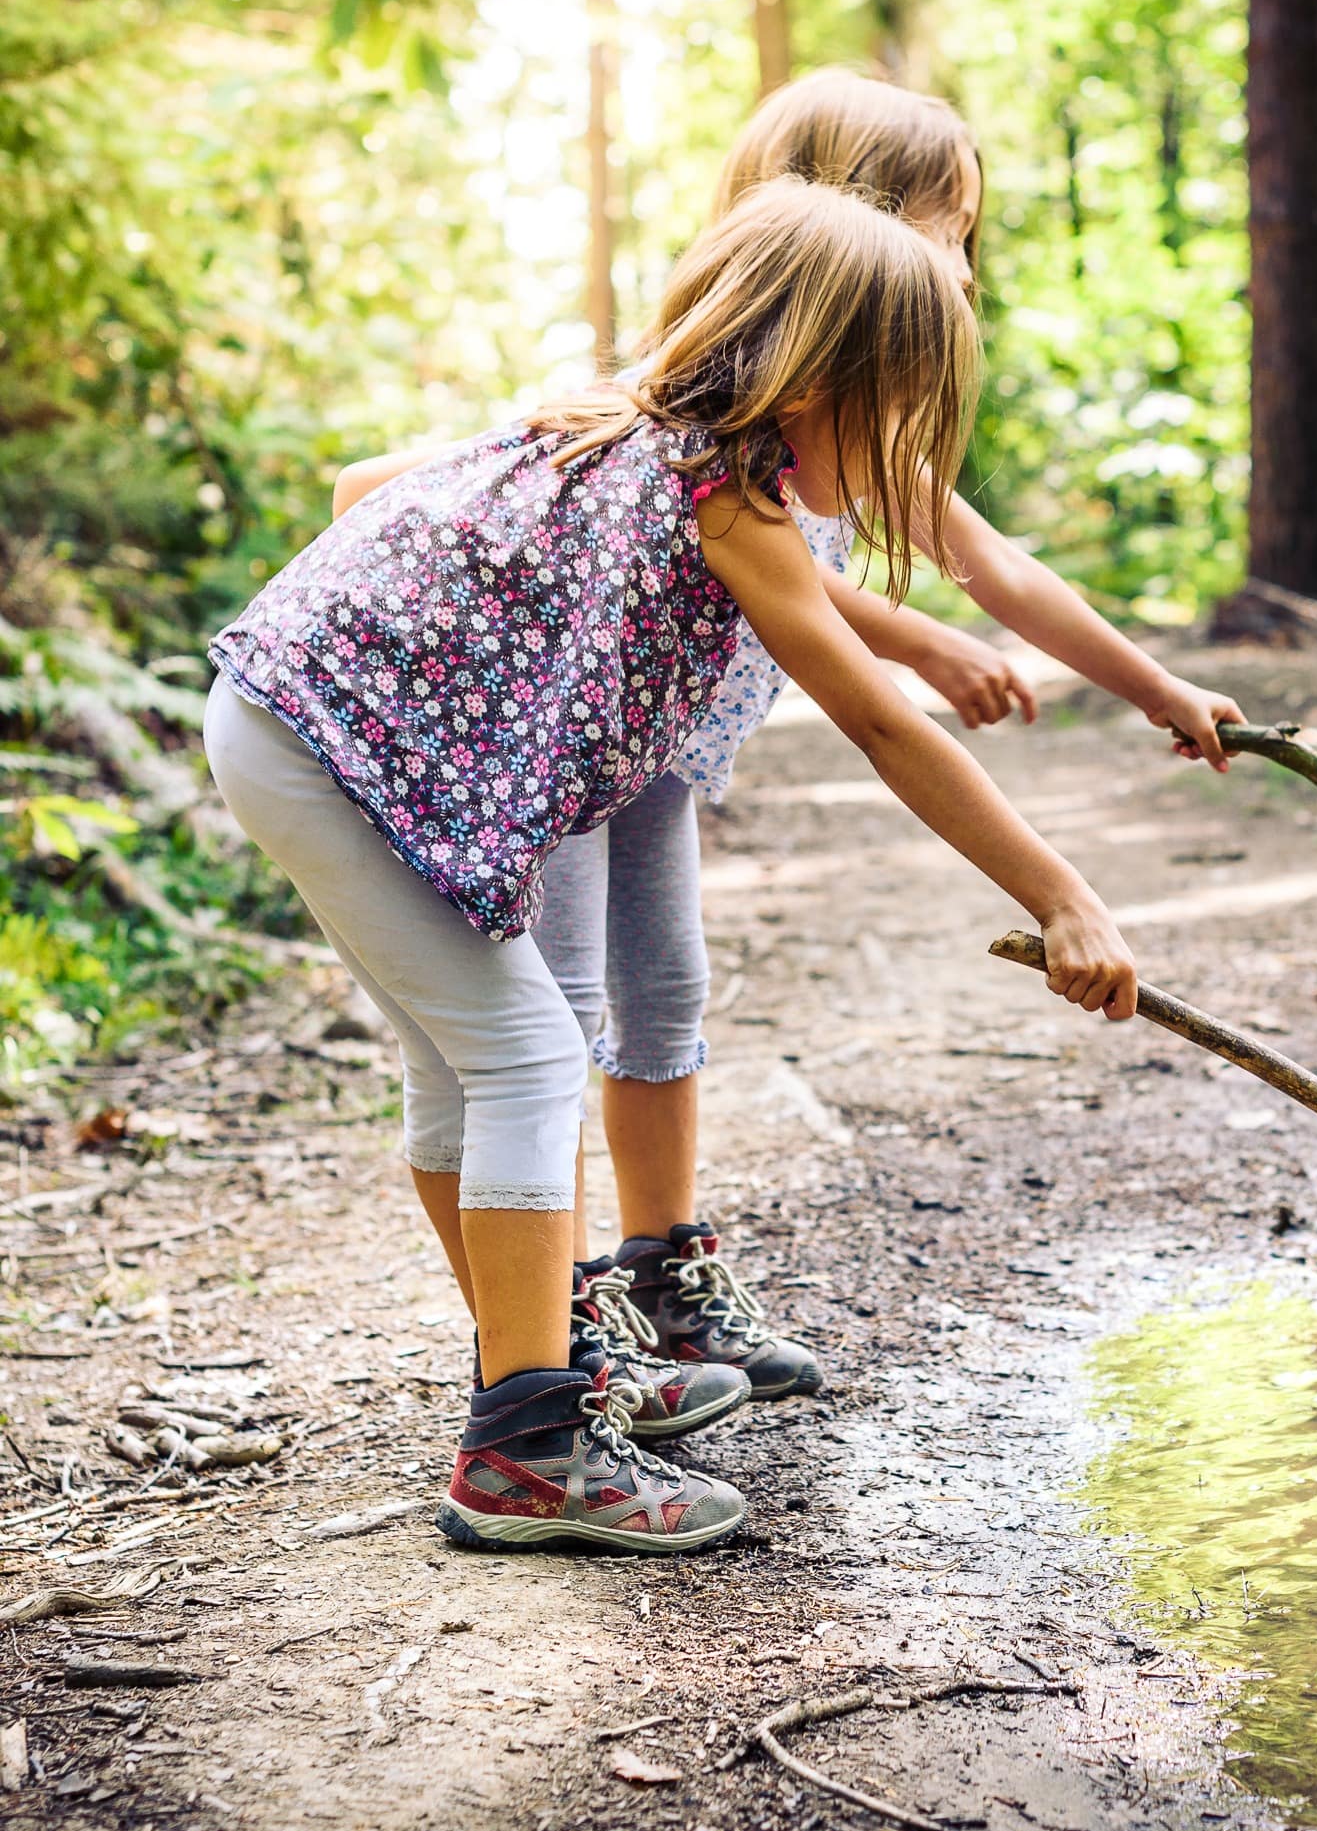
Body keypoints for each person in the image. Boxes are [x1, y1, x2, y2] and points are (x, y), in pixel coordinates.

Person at [204, 177, 1156, 1555]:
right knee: (530, 1058)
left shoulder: (660, 439)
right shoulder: (723, 497)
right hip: (332, 747)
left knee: (464, 1068)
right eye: (893, 416)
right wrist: (1064, 896)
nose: (899, 454)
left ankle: (541, 1383)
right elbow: (887, 724)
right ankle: (526, 1452)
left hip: (297, 728)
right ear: (820, 381)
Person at [332, 71, 1247, 1410]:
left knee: (668, 991)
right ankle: (559, 1315)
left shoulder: (844, 419)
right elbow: (377, 491)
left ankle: (664, 1268)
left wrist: (1154, 684)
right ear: (850, 226)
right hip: (568, 743)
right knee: (561, 1014)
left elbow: (990, 571)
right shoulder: (663, 409)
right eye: (951, 230)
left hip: (661, 752)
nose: (965, 269)